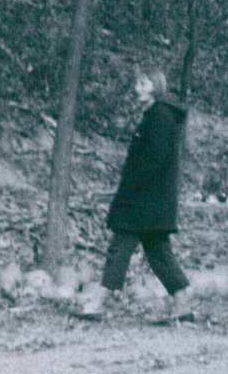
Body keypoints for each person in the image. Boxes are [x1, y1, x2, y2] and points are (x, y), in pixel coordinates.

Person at [79, 69, 193, 322]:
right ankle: (183, 305)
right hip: (151, 200)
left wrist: (130, 189)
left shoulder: (160, 116)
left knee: (120, 247)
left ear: (156, 87)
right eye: (137, 83)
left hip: (143, 200)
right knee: (158, 251)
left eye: (143, 83)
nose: (137, 88)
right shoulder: (156, 115)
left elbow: (153, 160)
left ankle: (98, 301)